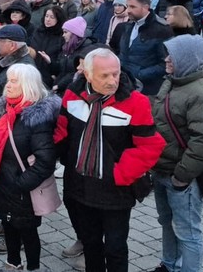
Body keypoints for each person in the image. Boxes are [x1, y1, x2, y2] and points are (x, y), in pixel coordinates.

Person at [55, 48, 165, 272]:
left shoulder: (136, 102)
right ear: (87, 74)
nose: (112, 80)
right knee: (91, 244)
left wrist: (120, 174)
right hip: (81, 185)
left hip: (115, 190)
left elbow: (150, 145)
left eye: (115, 73)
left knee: (115, 248)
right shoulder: (72, 95)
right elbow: (61, 133)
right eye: (104, 75)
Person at [148, 35, 203, 272]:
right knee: (167, 223)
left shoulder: (202, 95)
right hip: (162, 169)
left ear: (187, 59)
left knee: (188, 231)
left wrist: (182, 175)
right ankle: (169, 264)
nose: (167, 59)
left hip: (180, 177)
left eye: (173, 55)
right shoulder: (171, 82)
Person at [0, 63, 60, 272]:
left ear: (27, 85)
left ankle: (33, 267)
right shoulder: (6, 110)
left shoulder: (36, 119)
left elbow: (45, 161)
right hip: (2, 183)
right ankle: (13, 263)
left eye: (14, 81)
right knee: (8, 225)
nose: (8, 85)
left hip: (21, 190)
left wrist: (20, 184)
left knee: (27, 231)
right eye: (8, 80)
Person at [113, 0, 173, 96]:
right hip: (124, 86)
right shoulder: (128, 27)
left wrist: (139, 74)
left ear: (145, 7)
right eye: (128, 6)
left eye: (133, 7)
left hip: (147, 91)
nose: (128, 11)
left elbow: (165, 63)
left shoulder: (161, 30)